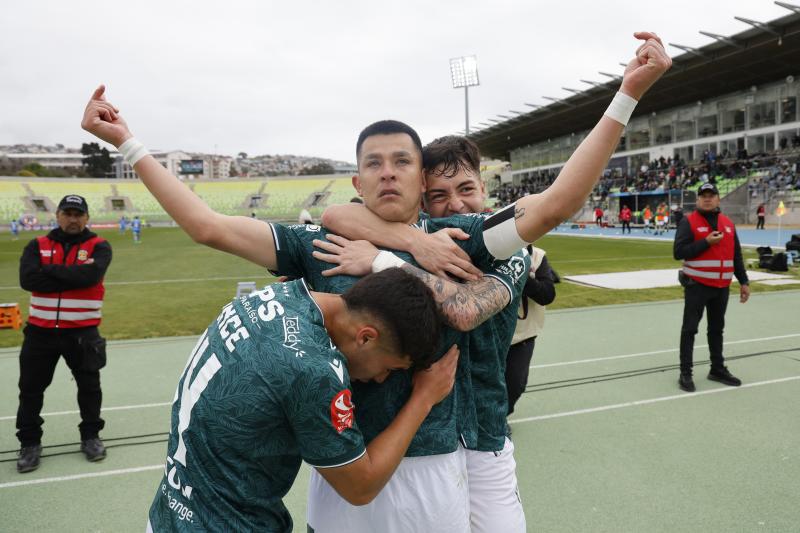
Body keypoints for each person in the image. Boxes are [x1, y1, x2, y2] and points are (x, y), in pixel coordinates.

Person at [80, 33, 670, 529]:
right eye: (373, 164)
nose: (388, 174)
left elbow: (556, 204)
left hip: (434, 464)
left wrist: (627, 94)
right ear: (357, 183)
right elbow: (207, 226)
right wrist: (128, 142)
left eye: (402, 162)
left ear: (421, 180)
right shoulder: (318, 243)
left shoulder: (459, 238)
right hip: (345, 467)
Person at [315, 135, 532, 532]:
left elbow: (467, 312)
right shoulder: (425, 238)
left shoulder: (508, 247)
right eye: (439, 195)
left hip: (486, 435)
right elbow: (335, 214)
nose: (456, 205)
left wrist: (381, 259)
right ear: (422, 198)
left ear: (484, 186)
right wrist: (414, 241)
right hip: (430, 444)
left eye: (466, 189)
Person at [147, 269, 459, 531]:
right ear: (366, 337)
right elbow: (361, 486)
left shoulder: (271, 295)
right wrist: (423, 398)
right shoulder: (314, 370)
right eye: (389, 367)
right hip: (228, 524)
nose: (381, 379)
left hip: (170, 513)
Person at [15, 195, 112, 473]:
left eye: (78, 214)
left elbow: (90, 277)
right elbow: (28, 280)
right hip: (40, 333)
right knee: (30, 391)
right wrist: (74, 275)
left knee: (89, 388)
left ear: (86, 217)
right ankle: (30, 443)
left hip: (82, 333)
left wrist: (49, 271)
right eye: (67, 213)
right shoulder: (37, 245)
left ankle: (91, 436)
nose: (72, 219)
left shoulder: (99, 245)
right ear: (57, 215)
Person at [674, 182, 749, 392]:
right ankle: (685, 373)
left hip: (722, 287)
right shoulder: (688, 221)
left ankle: (717, 369)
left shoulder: (728, 223)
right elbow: (678, 252)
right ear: (698, 199)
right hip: (697, 286)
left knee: (716, 329)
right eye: (703, 196)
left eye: (711, 195)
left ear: (718, 199)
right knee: (690, 329)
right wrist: (706, 242)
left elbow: (736, 255)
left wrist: (744, 281)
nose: (707, 199)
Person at [506, 246, 556, 416]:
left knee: (516, 383)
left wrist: (523, 276)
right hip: (491, 333)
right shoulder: (492, 251)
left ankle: (501, 416)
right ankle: (491, 421)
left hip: (523, 335)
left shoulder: (537, 256)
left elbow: (547, 295)